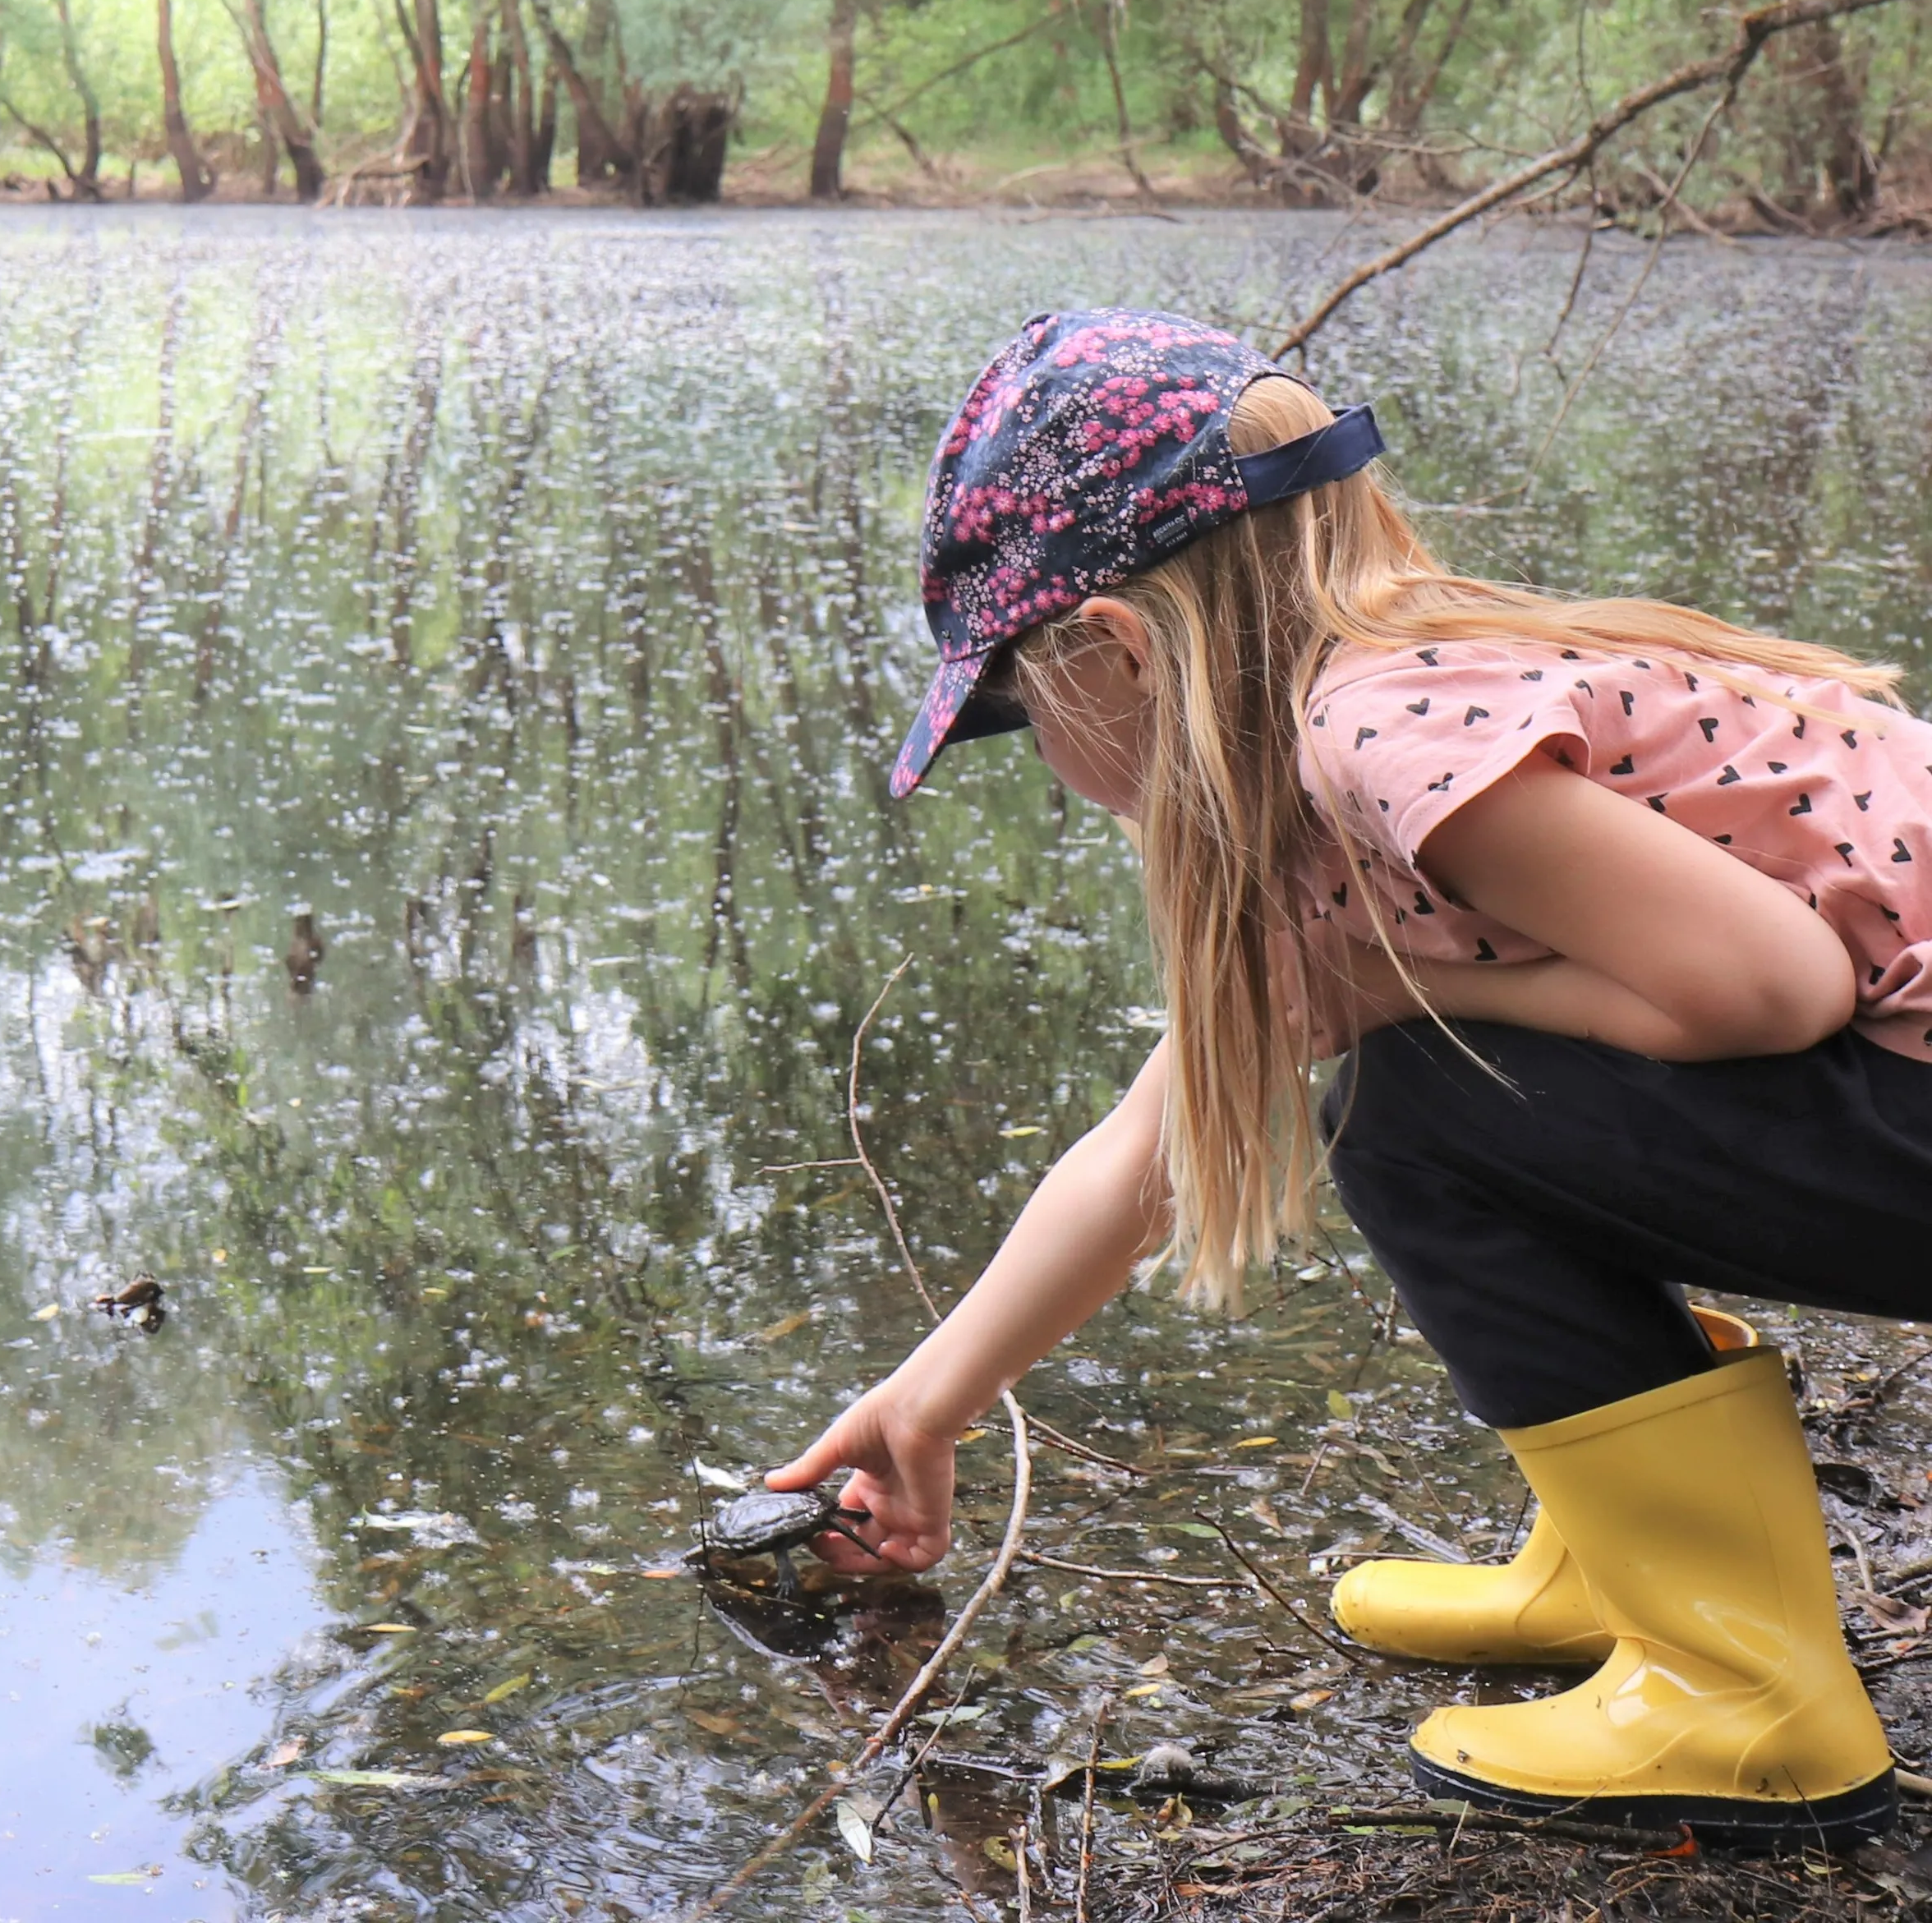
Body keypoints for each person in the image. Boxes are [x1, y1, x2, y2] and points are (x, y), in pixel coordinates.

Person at [767, 306, 1932, 1845]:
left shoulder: (1375, 739)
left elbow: (1774, 989)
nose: (1037, 755)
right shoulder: (1352, 737)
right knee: (1434, 1078)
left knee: (1411, 1102)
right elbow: (1153, 1145)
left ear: (1115, 650)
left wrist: (1396, 985)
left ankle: (1744, 1695)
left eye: (1010, 710)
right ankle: (1630, 1562)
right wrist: (927, 1405)